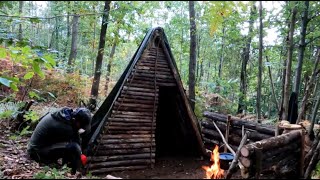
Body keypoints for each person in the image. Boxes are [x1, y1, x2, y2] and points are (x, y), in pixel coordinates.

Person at [27, 107, 92, 174]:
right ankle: (71, 171)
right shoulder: (65, 127)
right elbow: (75, 142)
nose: (81, 127)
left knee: (72, 147)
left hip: (38, 146)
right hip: (36, 152)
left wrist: (81, 153)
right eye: (81, 125)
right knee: (73, 148)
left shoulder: (64, 115)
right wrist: (80, 156)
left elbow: (76, 136)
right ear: (75, 120)